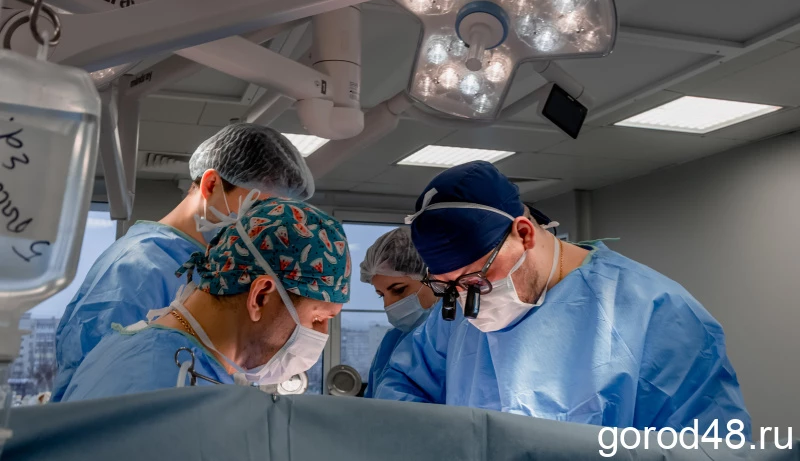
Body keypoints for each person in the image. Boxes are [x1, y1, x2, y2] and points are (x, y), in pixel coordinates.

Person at [374, 161, 752, 438]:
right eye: (448, 286)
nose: (466, 300)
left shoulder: (656, 312)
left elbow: (707, 445)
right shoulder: (454, 317)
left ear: (524, 234)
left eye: (476, 279)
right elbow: (403, 387)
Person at [52, 124, 314, 402]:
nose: (263, 226)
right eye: (256, 209)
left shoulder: (211, 265)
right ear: (211, 185)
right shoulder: (139, 267)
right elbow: (102, 389)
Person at [61, 195, 351, 401]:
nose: (322, 335)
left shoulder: (148, 349)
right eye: (318, 318)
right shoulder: (168, 386)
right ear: (261, 296)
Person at [359, 228, 437, 398]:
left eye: (399, 290)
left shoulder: (459, 337)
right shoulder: (392, 342)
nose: (389, 305)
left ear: (435, 278)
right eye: (381, 295)